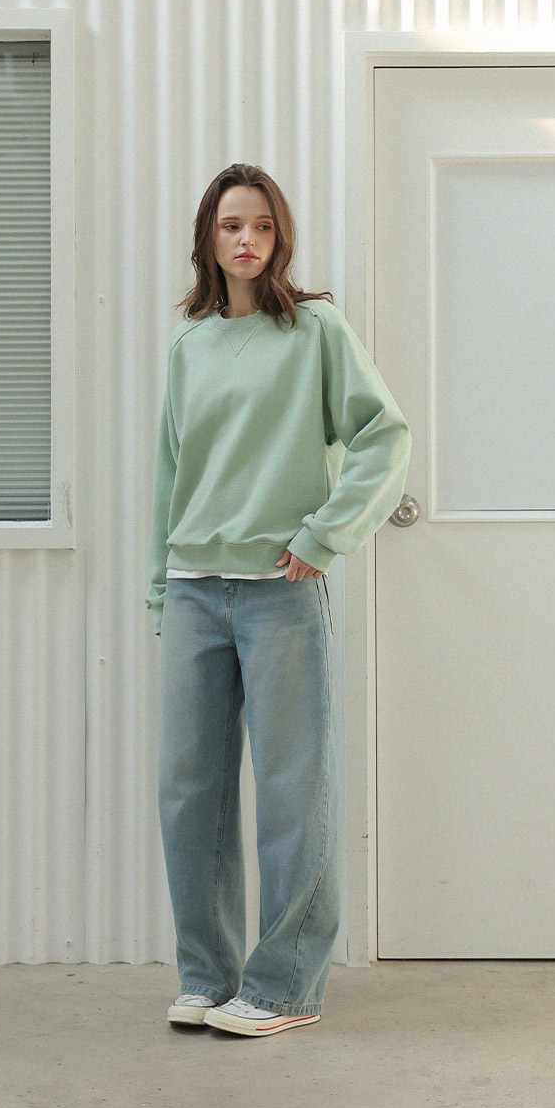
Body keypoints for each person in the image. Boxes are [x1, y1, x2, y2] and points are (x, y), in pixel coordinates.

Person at [145, 162, 412, 1038]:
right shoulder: (190, 342)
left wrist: (324, 535)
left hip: (280, 594)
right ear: (208, 238)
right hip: (194, 589)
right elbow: (171, 472)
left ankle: (286, 987)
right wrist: (161, 585)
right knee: (189, 792)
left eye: (261, 225)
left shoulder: (316, 330)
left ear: (280, 237)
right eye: (231, 225)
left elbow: (384, 436)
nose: (247, 240)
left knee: (293, 793)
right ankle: (206, 976)